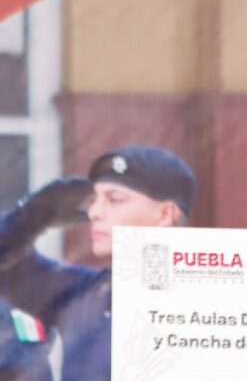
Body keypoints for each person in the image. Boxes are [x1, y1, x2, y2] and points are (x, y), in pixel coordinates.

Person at [0, 145, 197, 381]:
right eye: (94, 199)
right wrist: (30, 216)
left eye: (114, 200)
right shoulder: (87, 296)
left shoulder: (214, 305)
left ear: (166, 215)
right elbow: (7, 266)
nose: (94, 212)